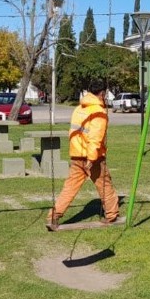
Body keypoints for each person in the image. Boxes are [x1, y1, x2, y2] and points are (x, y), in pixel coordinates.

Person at [46, 79, 120, 229]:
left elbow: (75, 132)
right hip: (92, 157)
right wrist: (92, 158)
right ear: (102, 94)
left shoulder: (79, 108)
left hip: (76, 154)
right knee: (105, 185)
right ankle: (112, 216)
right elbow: (95, 138)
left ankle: (53, 216)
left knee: (70, 187)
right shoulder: (98, 112)